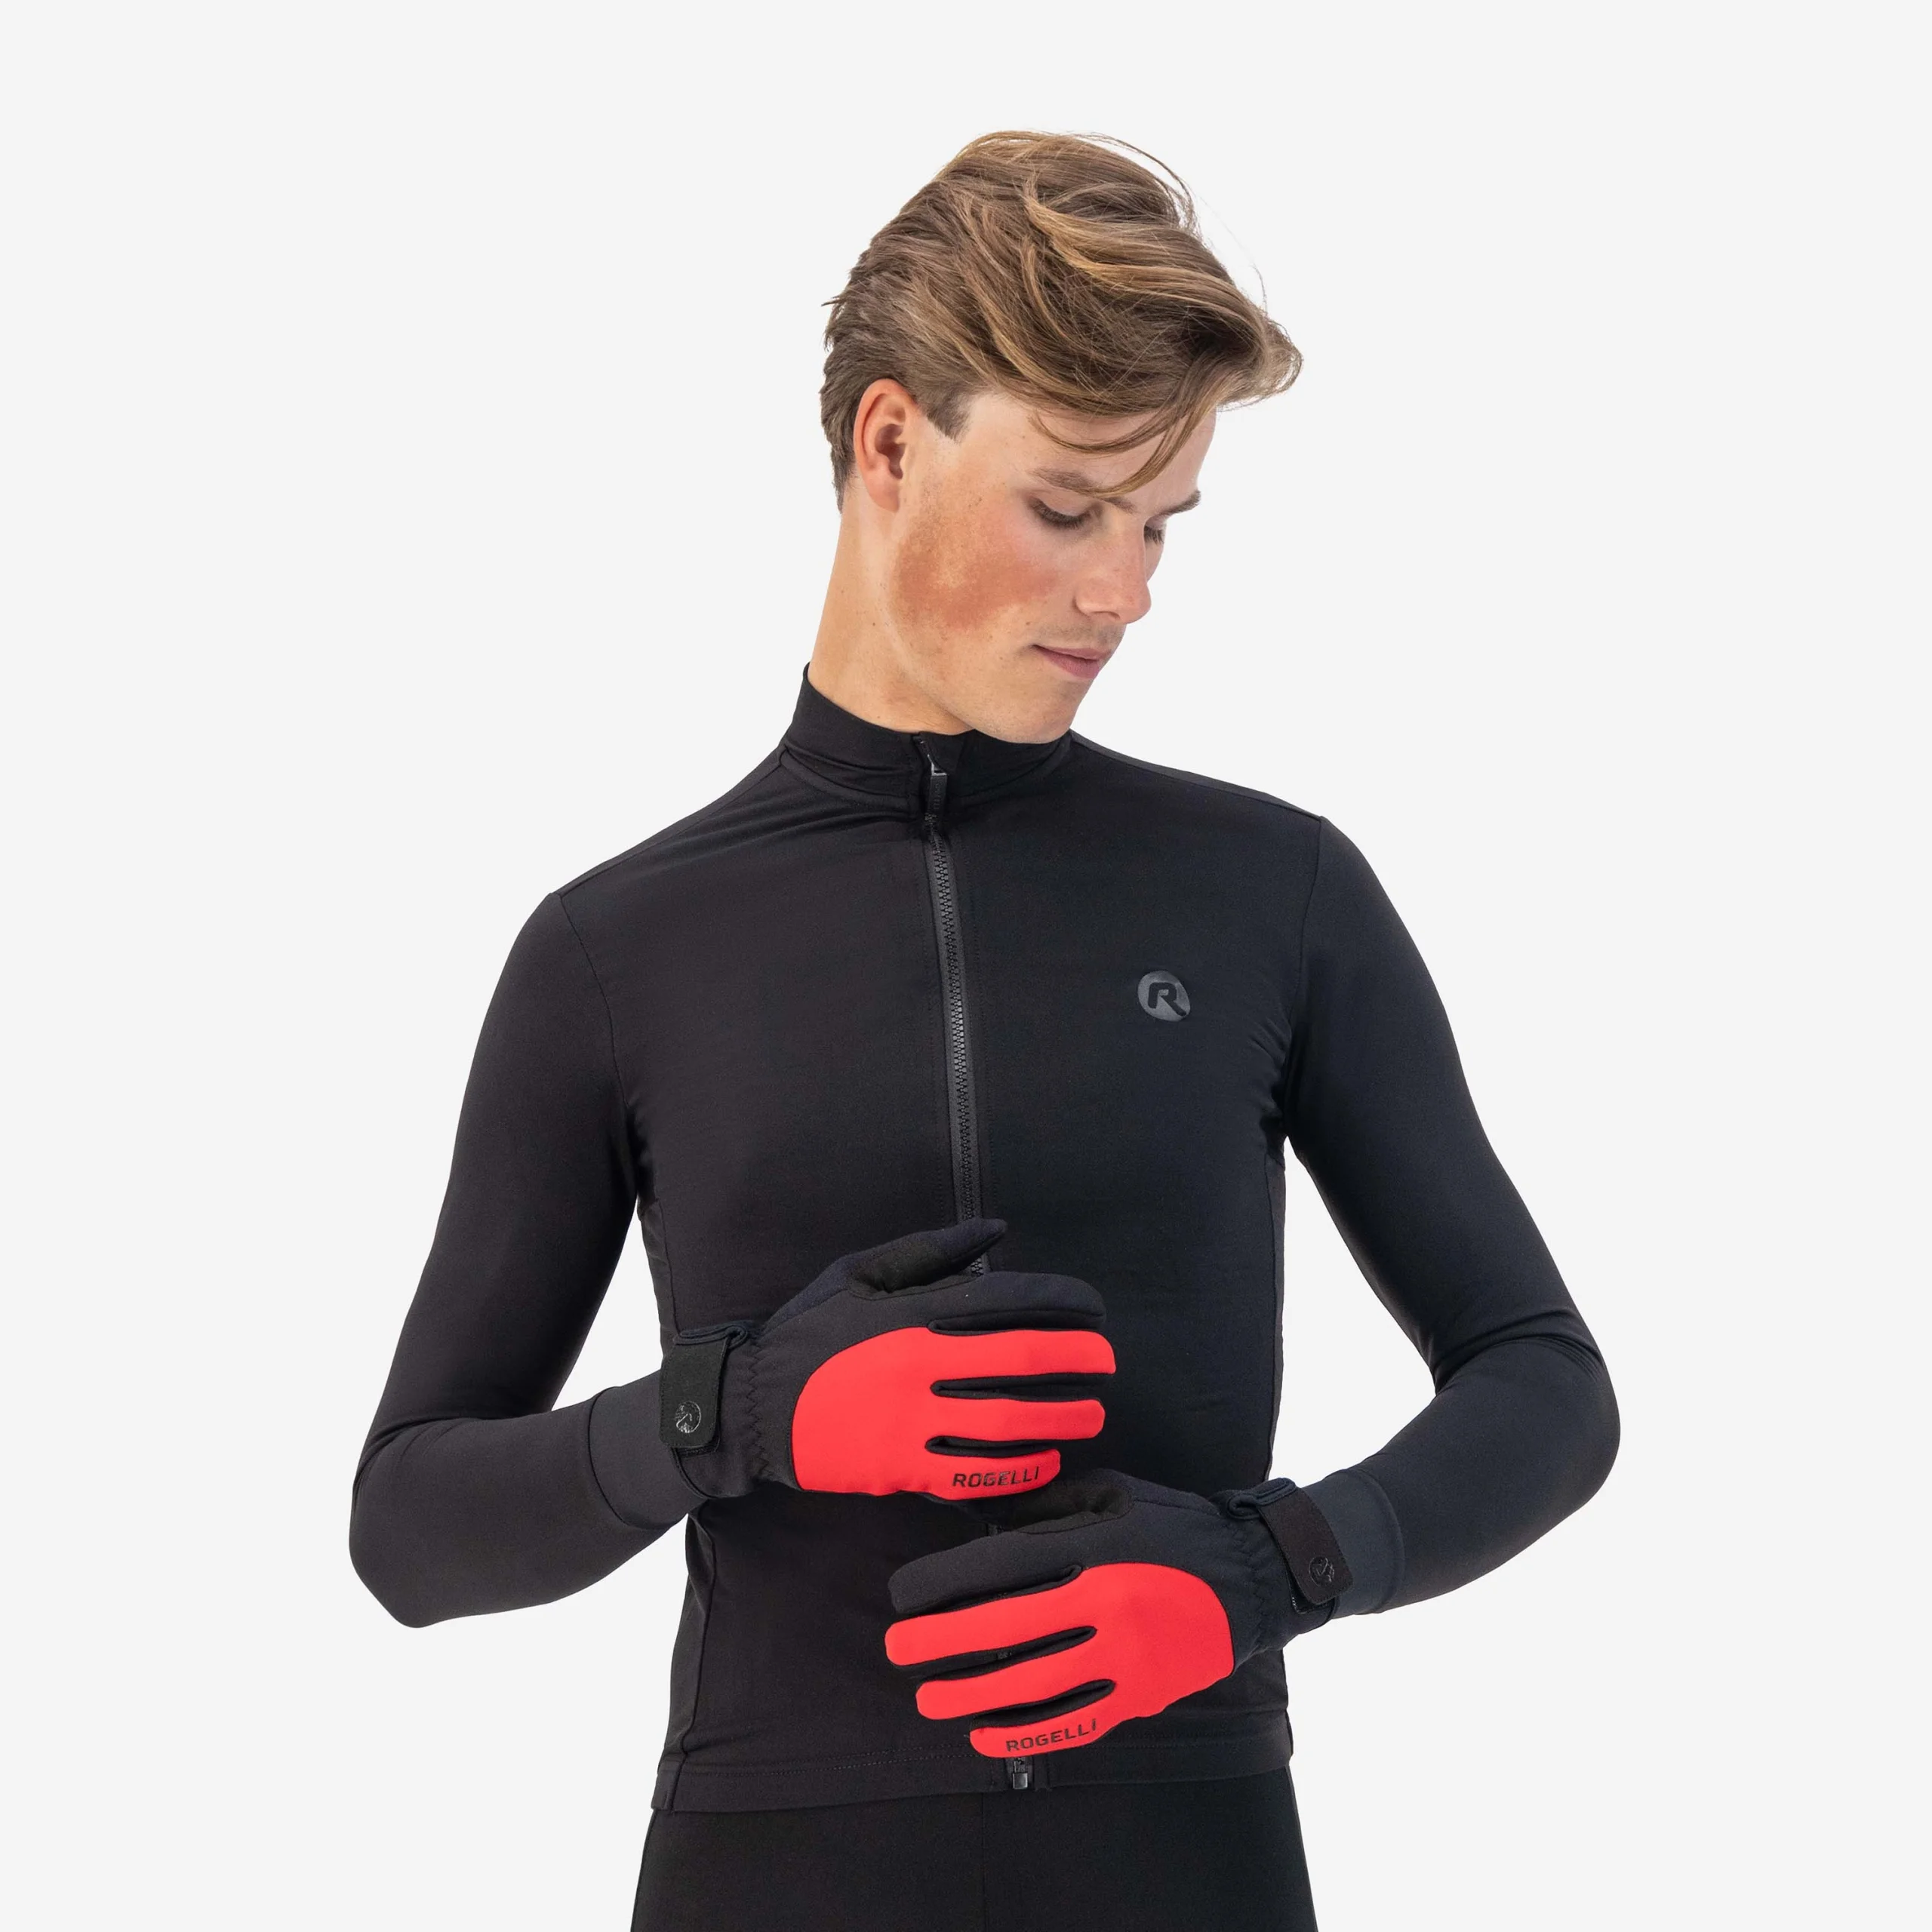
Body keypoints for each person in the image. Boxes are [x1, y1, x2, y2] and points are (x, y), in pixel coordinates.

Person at [350, 131, 1619, 1931]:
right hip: (770, 1871)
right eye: (1068, 506)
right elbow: (410, 1525)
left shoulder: (1272, 891)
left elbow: (1543, 1380)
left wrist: (1267, 1566)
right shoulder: (618, 948)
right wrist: (734, 1411)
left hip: (1188, 1860)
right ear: (888, 444)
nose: (1127, 590)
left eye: (1160, 522)